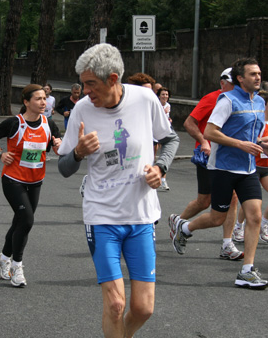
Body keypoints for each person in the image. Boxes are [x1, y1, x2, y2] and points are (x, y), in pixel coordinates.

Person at [57, 44, 179, 337]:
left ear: (113, 79)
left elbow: (170, 139)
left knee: (143, 308)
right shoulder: (82, 111)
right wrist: (78, 152)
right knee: (115, 304)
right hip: (102, 216)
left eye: (91, 84)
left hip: (141, 216)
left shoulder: (145, 98)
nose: (85, 92)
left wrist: (160, 168)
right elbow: (63, 167)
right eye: (83, 84)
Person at [172, 58, 268, 290]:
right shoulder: (227, 100)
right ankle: (184, 228)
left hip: (248, 169)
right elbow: (210, 131)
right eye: (252, 74)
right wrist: (241, 145)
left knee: (255, 216)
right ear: (240, 78)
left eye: (259, 73)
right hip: (223, 168)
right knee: (217, 218)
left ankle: (247, 271)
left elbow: (249, 135)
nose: (257, 77)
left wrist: (261, 143)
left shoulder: (259, 102)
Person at [0, 84, 62, 287]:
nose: (43, 102)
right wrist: (0, 153)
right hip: (13, 179)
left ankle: (3, 257)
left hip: (36, 180)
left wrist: (59, 145)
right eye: (38, 99)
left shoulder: (49, 124)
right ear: (26, 102)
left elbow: (56, 146)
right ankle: (16, 267)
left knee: (20, 221)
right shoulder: (14, 123)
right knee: (26, 220)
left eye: (45, 98)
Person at [169, 68, 243, 260]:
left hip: (228, 158)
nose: (236, 87)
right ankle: (179, 223)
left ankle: (227, 244)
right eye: (232, 83)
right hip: (208, 156)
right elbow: (189, 123)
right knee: (204, 201)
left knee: (232, 198)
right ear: (222, 82)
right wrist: (203, 141)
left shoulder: (240, 100)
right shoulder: (212, 99)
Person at [233, 90, 268, 244]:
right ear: (265, 104)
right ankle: (238, 227)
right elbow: (250, 138)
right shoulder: (258, 119)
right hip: (254, 165)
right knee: (250, 201)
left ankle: (263, 224)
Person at [156, 87, 172, 191]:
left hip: (165, 133)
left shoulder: (168, 105)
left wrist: (169, 119)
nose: (165, 96)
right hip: (154, 133)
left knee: (164, 156)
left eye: (166, 95)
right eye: (163, 94)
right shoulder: (156, 104)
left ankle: (163, 180)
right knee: (152, 156)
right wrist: (163, 111)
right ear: (159, 96)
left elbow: (166, 118)